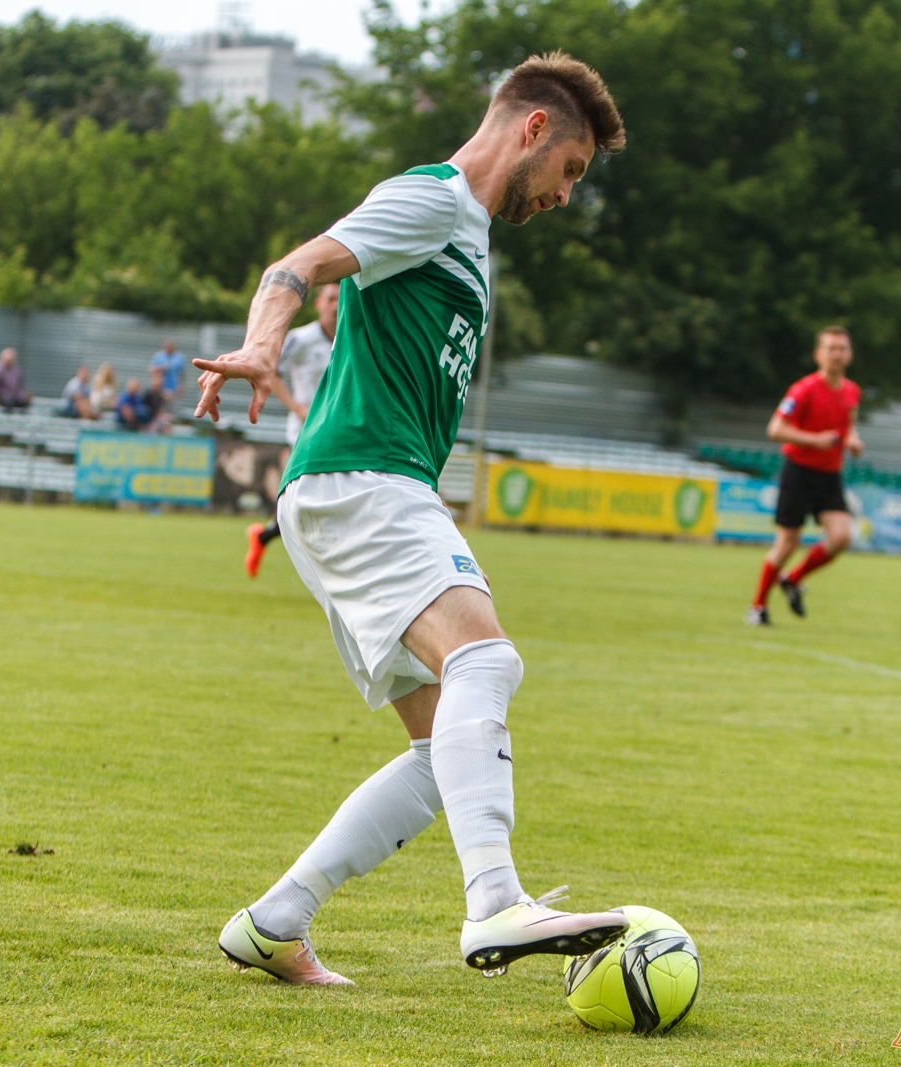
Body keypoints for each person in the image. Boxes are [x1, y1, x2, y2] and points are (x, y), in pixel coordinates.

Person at [194, 50, 630, 984]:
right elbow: (298, 264)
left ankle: (275, 922)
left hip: (361, 490)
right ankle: (493, 902)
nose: (565, 195)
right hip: (364, 481)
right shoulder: (434, 200)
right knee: (487, 659)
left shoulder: (467, 230)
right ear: (534, 128)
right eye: (572, 172)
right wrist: (261, 346)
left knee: (442, 752)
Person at [748, 327, 864, 626]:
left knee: (841, 536)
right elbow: (775, 429)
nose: (836, 354)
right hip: (798, 471)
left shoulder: (852, 391)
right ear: (818, 354)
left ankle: (793, 579)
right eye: (830, 348)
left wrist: (852, 440)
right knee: (788, 543)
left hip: (829, 475)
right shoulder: (804, 390)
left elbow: (848, 425)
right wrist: (813, 440)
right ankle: (758, 606)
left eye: (842, 349)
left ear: (849, 355)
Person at [244, 282, 340, 577]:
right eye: (331, 298)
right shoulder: (302, 338)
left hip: (337, 428)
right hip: (306, 430)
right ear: (319, 304)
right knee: (313, 499)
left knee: (321, 501)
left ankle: (263, 536)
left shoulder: (350, 338)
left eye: (341, 299)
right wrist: (297, 407)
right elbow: (269, 369)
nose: (337, 304)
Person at [142, 365, 172, 433]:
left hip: (161, 418)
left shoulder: (164, 394)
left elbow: (165, 409)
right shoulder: (148, 394)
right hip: (150, 419)